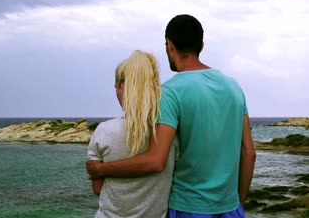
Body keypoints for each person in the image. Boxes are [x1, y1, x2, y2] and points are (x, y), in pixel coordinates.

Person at [86, 14, 256, 217]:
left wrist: (101, 170)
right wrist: (238, 204)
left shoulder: (170, 92)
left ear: (169, 45)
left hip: (188, 208)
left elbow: (156, 160)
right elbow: (249, 153)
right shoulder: (234, 87)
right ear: (201, 46)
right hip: (230, 208)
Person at [87, 50, 178, 218]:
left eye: (116, 87)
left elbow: (98, 189)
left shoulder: (104, 131)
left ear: (122, 86)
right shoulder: (168, 134)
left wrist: (104, 170)